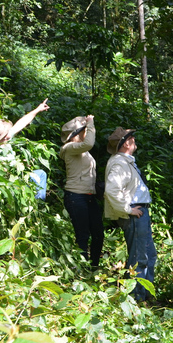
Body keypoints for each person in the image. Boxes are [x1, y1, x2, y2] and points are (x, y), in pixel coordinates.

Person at [104, 127, 157, 302]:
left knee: (149, 255)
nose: (134, 140)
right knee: (139, 257)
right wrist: (128, 209)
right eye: (132, 138)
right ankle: (135, 299)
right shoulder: (119, 163)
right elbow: (112, 190)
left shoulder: (125, 161)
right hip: (134, 214)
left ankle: (146, 296)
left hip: (138, 212)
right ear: (126, 143)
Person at [60, 115, 103, 269]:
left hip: (89, 197)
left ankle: (94, 268)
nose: (86, 132)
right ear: (78, 133)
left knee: (98, 234)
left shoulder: (82, 150)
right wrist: (91, 123)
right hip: (76, 196)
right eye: (84, 130)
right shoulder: (70, 148)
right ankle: (82, 271)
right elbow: (89, 143)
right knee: (83, 236)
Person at [0, 98, 50, 199]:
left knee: (41, 174)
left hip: (17, 174)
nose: (8, 137)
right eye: (4, 137)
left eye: (7, 134)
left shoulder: (6, 139)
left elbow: (22, 122)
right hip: (9, 181)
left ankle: (38, 204)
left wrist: (38, 109)